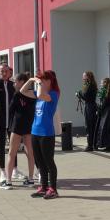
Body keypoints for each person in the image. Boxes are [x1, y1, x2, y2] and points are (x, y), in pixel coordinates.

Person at [1, 73, 38, 190]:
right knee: (30, 153)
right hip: (29, 126)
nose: (14, 84)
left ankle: (8, 182)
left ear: (22, 82)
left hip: (17, 126)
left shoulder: (18, 94)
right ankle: (31, 180)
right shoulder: (34, 94)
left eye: (15, 82)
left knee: (11, 153)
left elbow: (11, 109)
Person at [30, 70, 61, 200]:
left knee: (49, 161)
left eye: (43, 80)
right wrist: (31, 80)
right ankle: (44, 187)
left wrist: (38, 84)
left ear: (49, 81)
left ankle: (53, 189)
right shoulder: (40, 93)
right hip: (35, 132)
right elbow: (22, 91)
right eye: (40, 80)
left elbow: (40, 94)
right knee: (39, 161)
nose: (41, 82)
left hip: (46, 133)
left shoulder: (53, 94)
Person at [79, 71, 98, 151]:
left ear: (88, 77)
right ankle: (94, 144)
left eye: (84, 76)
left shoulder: (89, 85)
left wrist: (79, 93)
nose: (83, 78)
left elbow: (85, 96)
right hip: (92, 106)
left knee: (89, 126)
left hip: (89, 106)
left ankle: (90, 145)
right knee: (92, 126)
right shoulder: (92, 84)